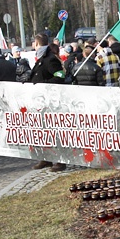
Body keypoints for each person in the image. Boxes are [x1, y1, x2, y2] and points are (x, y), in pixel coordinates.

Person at [29, 34, 68, 172]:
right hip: (41, 102)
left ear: (37, 43)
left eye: (34, 42)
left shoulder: (50, 59)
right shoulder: (41, 58)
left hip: (51, 101)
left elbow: (60, 76)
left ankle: (60, 160)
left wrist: (44, 85)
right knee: (43, 131)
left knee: (54, 131)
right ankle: (45, 158)